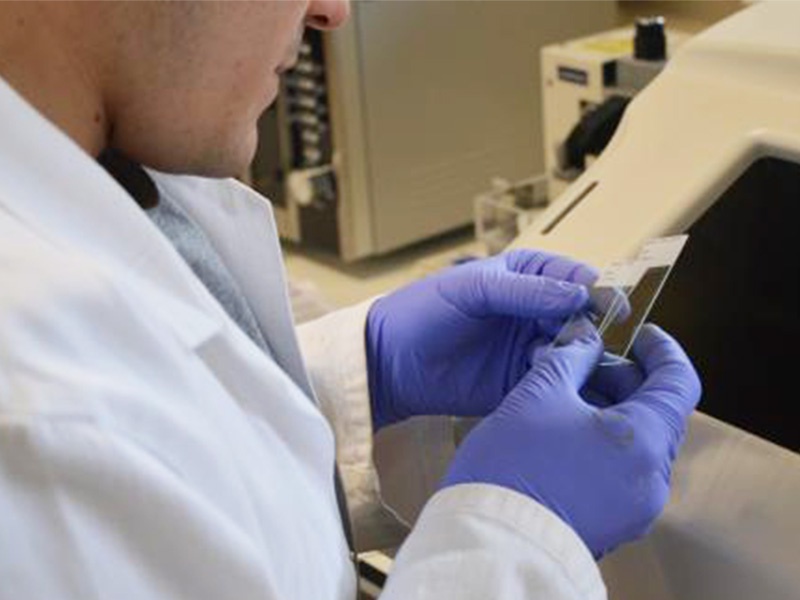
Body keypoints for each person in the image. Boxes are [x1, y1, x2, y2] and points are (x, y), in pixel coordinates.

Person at [0, 2, 700, 599]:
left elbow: (169, 453)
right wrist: (521, 537)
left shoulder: (92, 159)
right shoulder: (40, 425)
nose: (333, 11)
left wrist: (354, 380)